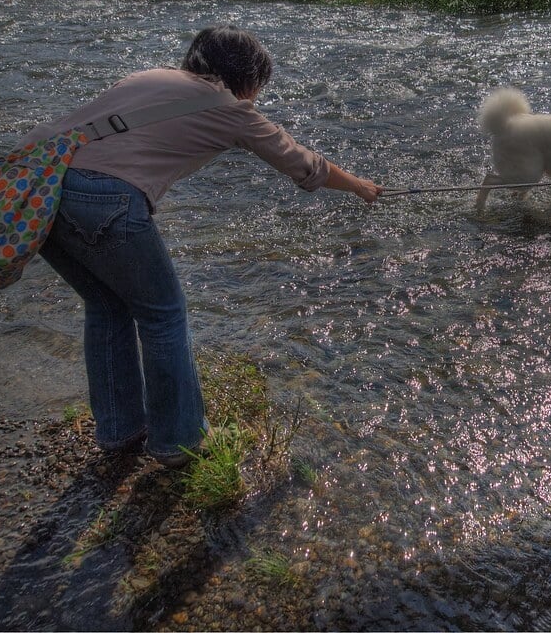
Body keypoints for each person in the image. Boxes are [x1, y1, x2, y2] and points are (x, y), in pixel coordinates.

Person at [20, 25, 382, 468]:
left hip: (42, 195)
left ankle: (118, 432)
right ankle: (179, 441)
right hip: (107, 200)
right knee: (164, 316)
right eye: (259, 87)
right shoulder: (229, 108)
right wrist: (361, 186)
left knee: (107, 307)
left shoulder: (145, 78)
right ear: (247, 78)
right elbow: (306, 165)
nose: (256, 98)